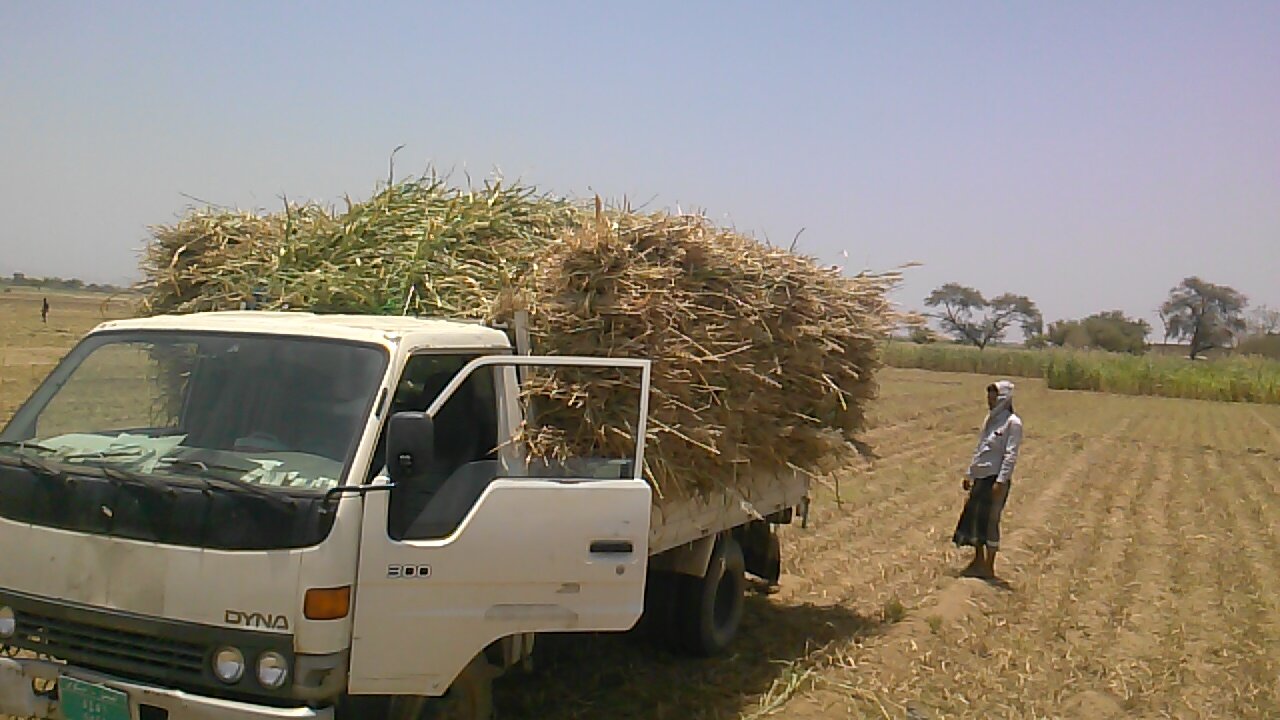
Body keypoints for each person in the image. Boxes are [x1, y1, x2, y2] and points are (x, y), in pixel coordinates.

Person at [952, 380, 1022, 579]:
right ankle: (977, 560)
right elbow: (981, 449)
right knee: (976, 519)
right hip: (981, 477)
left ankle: (989, 567)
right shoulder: (989, 421)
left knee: (991, 522)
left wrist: (1001, 481)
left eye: (994, 398)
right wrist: (970, 473)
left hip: (995, 479)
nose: (990, 402)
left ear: (1004, 399)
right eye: (988, 398)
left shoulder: (1013, 423)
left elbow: (1010, 455)